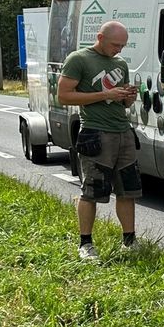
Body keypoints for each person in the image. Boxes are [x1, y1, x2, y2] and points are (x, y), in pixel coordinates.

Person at [57, 21, 140, 261]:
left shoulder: (120, 63)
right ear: (100, 38)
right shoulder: (78, 59)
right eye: (115, 45)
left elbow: (123, 103)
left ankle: (129, 241)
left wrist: (128, 96)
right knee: (91, 190)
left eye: (123, 46)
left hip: (123, 131)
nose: (119, 50)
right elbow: (64, 96)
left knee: (128, 190)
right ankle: (85, 244)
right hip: (96, 132)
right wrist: (105, 94)